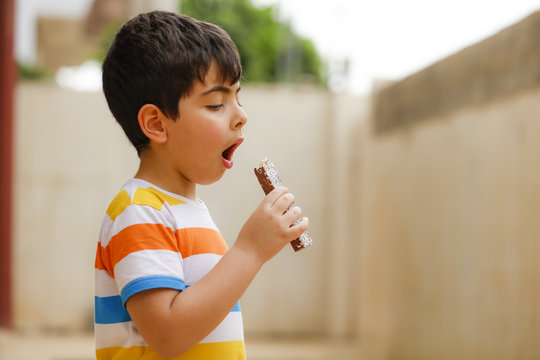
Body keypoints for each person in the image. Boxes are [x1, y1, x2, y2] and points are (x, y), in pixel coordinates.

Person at [94, 10, 309, 360]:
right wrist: (250, 251)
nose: (240, 115)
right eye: (216, 103)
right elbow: (168, 335)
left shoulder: (187, 211)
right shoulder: (140, 211)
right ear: (156, 124)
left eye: (238, 97)